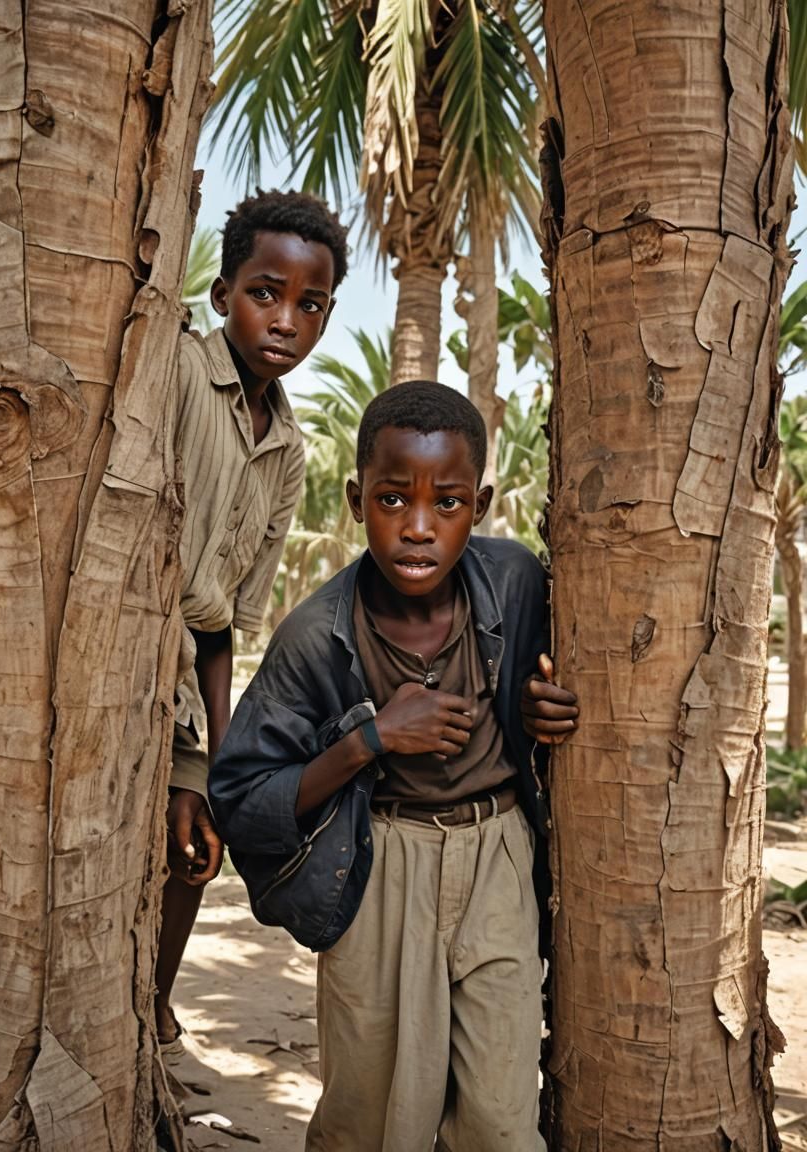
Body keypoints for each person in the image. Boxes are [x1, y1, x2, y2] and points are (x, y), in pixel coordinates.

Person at [209, 381, 579, 1151]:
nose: (418, 528)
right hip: (378, 869)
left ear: (478, 504)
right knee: (371, 1116)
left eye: (446, 504)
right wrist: (370, 741)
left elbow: (558, 682)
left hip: (498, 861)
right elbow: (243, 795)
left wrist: (546, 712)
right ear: (354, 499)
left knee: (500, 1119)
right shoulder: (315, 633)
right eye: (390, 501)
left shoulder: (516, 582)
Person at [157, 188, 349, 1048]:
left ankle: (148, 1010)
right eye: (264, 293)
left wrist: (219, 757)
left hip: (190, 677)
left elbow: (227, 618)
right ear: (221, 293)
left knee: (194, 847)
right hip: (115, 647)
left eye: (309, 305)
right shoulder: (170, 371)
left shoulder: (290, 447)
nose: (285, 321)